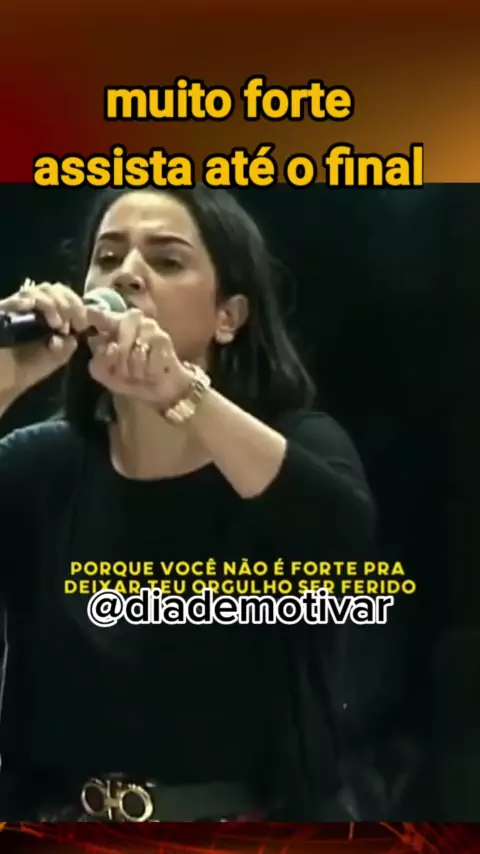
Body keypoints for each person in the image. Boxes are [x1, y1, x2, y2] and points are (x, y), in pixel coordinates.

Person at [0, 186, 374, 822]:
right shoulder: (42, 465)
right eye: (107, 257)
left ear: (229, 316)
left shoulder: (297, 446)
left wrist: (180, 392)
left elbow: (342, 540)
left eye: (167, 260)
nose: (127, 275)